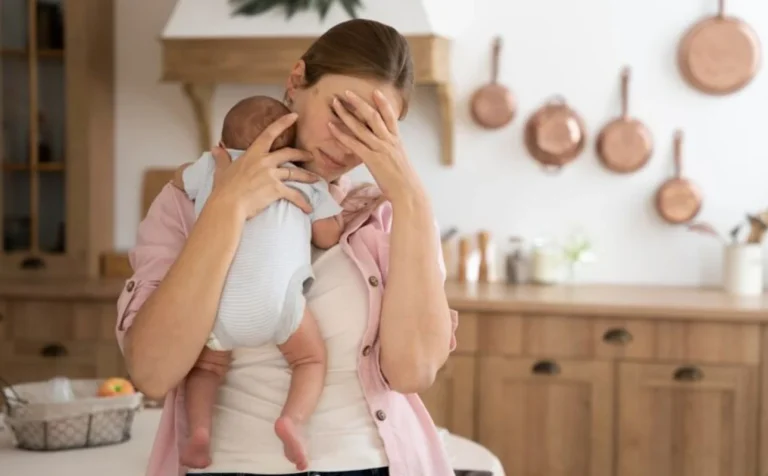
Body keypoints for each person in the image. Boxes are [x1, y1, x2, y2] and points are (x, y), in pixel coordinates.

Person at [115, 18, 459, 476]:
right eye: (340, 114)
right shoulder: (188, 200)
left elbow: (412, 372)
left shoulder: (391, 217)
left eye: (372, 128)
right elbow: (153, 372)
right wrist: (227, 208)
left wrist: (411, 196)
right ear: (296, 82)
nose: (347, 143)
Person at [172, 95, 348, 471]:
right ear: (294, 148)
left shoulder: (212, 167)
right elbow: (329, 237)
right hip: (278, 302)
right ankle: (292, 421)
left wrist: (206, 168)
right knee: (310, 359)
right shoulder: (306, 179)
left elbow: (177, 181)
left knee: (205, 370)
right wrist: (332, 202)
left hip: (217, 301)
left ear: (222, 146)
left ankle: (199, 432)